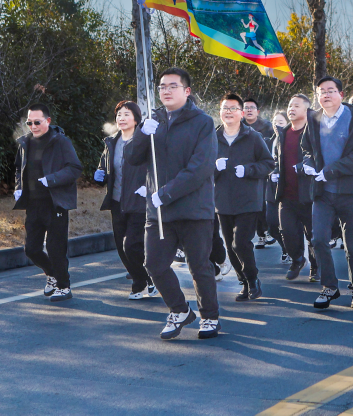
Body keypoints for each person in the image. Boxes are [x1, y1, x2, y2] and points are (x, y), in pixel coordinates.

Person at [122, 68, 220, 339]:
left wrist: (166, 193)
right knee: (154, 264)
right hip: (159, 212)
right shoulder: (154, 121)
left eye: (173, 86)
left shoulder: (203, 122)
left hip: (193, 209)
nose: (166, 90)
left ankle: (210, 316)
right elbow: (131, 157)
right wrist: (142, 132)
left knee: (199, 266)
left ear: (186, 91)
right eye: (162, 86)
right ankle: (180, 310)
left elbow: (200, 168)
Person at [302, 76, 353, 310]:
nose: (325, 95)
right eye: (321, 91)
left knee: (352, 245)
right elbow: (307, 149)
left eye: (331, 91)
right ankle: (329, 287)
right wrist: (308, 163)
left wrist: (330, 171)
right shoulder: (313, 119)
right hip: (322, 192)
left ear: (341, 95)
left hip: (350, 192)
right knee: (319, 240)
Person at [14, 103, 82, 303]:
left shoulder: (60, 141)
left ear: (48, 121)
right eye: (29, 122)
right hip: (34, 204)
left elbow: (75, 168)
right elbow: (19, 168)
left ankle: (64, 285)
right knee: (31, 249)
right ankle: (52, 275)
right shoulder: (25, 143)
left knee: (55, 248)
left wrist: (51, 179)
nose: (33, 126)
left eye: (37, 122)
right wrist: (19, 186)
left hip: (55, 203)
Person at [213, 93, 276, 302]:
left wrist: (248, 170)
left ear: (241, 113)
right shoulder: (213, 137)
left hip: (248, 199)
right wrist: (214, 168)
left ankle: (253, 279)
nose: (228, 112)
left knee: (240, 243)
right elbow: (199, 169)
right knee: (230, 245)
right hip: (222, 201)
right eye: (224, 108)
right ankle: (245, 282)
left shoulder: (253, 137)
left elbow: (268, 163)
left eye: (232, 108)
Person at [93, 100, 154, 300]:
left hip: (138, 200)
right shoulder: (112, 142)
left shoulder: (145, 140)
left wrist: (150, 186)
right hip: (117, 201)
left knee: (132, 245)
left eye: (127, 114)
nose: (122, 118)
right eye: (119, 114)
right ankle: (149, 277)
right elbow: (105, 164)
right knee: (121, 246)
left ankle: (140, 284)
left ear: (136, 118)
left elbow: (157, 166)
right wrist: (101, 172)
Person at [273, 94, 319, 282]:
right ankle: (297, 259)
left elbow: (318, 158)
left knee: (313, 235)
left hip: (308, 194)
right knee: (287, 231)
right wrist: (276, 170)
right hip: (286, 194)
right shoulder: (283, 132)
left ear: (306, 110)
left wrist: (304, 167)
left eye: (296, 105)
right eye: (290, 105)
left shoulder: (313, 132)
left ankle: (316, 267)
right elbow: (278, 158)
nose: (291, 108)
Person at [242, 98, 279, 250]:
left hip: (263, 170)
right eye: (246, 108)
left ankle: (267, 231)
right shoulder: (239, 126)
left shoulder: (267, 127)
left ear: (257, 111)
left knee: (262, 203)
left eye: (252, 108)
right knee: (251, 204)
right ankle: (260, 235)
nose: (249, 110)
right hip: (245, 170)